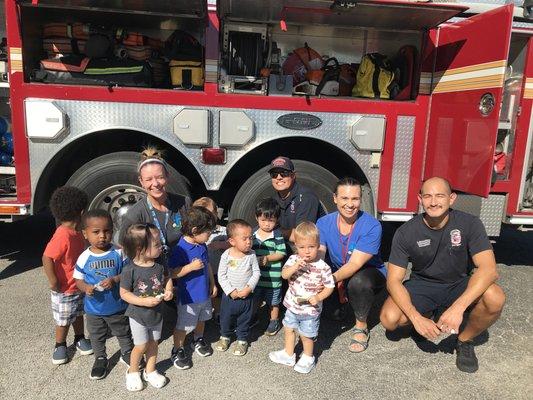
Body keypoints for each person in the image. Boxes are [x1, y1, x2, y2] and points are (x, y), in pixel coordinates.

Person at [380, 177, 506, 373]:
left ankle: (464, 340)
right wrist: (415, 318)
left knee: (495, 297)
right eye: (428, 196)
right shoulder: (405, 232)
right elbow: (393, 280)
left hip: (459, 283)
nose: (434, 202)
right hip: (423, 284)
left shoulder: (470, 224)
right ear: (419, 198)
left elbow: (489, 269)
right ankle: (427, 315)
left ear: (452, 198)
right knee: (390, 319)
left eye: (440, 195)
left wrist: (458, 308)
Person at [316, 177, 386, 352]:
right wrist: (313, 274)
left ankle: (361, 325)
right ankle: (343, 300)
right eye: (344, 198)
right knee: (332, 315)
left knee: (359, 283)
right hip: (337, 272)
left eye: (355, 199)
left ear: (360, 200)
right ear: (335, 198)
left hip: (367, 272)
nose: (350, 204)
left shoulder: (372, 225)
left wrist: (330, 279)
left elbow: (355, 263)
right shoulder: (323, 223)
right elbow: (320, 254)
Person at [73, 209, 133, 380]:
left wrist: (115, 279)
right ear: (85, 234)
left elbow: (128, 273)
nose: (102, 236)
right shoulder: (84, 257)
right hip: (94, 309)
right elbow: (78, 279)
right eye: (96, 232)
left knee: (123, 331)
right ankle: (100, 358)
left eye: (106, 231)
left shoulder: (119, 252)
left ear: (112, 231)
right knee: (97, 335)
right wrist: (86, 288)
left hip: (118, 306)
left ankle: (127, 352)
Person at [269, 222, 335, 374]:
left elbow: (329, 287)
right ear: (296, 246)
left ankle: (307, 357)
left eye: (311, 247)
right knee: (289, 329)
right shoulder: (293, 260)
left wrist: (318, 297)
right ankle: (288, 353)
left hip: (310, 309)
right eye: (302, 247)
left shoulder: (323, 266)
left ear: (318, 245)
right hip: (292, 305)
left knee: (307, 335)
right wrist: (294, 267)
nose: (306, 252)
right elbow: (284, 275)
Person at [42, 186, 93, 365]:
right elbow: (47, 257)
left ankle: (79, 337)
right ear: (81, 212)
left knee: (78, 313)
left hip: (77, 284)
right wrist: (53, 280)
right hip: (63, 288)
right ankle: (60, 344)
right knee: (63, 319)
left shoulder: (77, 233)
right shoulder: (63, 235)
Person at [120, 223, 173, 391]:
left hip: (156, 314)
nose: (161, 247)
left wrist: (169, 290)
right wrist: (143, 301)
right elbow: (124, 293)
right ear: (139, 248)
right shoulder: (130, 269)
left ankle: (150, 370)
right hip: (138, 315)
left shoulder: (159, 265)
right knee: (141, 345)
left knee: (153, 343)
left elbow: (167, 279)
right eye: (156, 244)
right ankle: (133, 370)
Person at [119, 147, 191, 266]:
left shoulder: (184, 203)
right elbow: (125, 246)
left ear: (167, 177)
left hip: (185, 266)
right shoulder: (136, 214)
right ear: (141, 181)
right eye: (148, 179)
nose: (155, 184)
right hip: (153, 274)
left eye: (160, 177)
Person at [168, 206, 217, 370]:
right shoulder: (180, 249)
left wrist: (212, 283)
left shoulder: (201, 245)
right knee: (183, 325)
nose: (209, 236)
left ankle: (198, 339)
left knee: (202, 319)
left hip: (204, 294)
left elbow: (207, 265)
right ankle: (177, 349)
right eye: (208, 233)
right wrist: (190, 267)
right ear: (195, 230)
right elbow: (172, 273)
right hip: (188, 298)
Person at [215, 219, 260, 356]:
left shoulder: (251, 255)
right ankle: (225, 336)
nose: (249, 241)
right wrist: (230, 291)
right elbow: (221, 275)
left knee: (244, 319)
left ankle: (242, 339)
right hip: (230, 297)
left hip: (247, 296)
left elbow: (256, 272)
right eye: (244, 239)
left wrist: (249, 288)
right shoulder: (226, 255)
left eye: (250, 238)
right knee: (226, 318)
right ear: (232, 241)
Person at [252, 197, 287, 336]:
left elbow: (281, 253)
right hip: (256, 278)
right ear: (257, 218)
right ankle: (252, 317)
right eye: (263, 220)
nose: (267, 224)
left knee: (274, 302)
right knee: (254, 299)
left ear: (276, 220)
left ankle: (274, 320)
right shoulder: (252, 234)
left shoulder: (277, 235)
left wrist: (267, 258)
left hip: (273, 278)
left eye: (271, 221)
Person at [268, 156, 322, 243]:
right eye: (274, 174)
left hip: (307, 251)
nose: (279, 177)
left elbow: (302, 237)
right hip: (283, 248)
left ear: (293, 175)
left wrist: (274, 232)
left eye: (284, 173)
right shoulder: (273, 200)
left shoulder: (306, 197)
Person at [192, 196, 229, 321]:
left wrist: (222, 244)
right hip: (202, 270)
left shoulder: (223, 231)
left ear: (216, 214)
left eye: (209, 214)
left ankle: (218, 313)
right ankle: (202, 314)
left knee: (217, 293)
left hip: (218, 269)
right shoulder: (195, 234)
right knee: (204, 292)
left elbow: (234, 243)